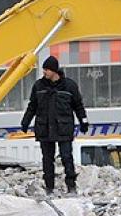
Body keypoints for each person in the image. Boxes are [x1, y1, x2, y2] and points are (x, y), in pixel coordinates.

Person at [20, 55, 88, 194]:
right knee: (47, 160)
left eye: (46, 69)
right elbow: (32, 106)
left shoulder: (69, 86)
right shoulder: (38, 86)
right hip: (44, 128)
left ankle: (71, 185)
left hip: (64, 128)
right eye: (44, 69)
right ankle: (49, 187)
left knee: (66, 157)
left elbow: (78, 106)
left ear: (54, 71)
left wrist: (84, 121)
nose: (44, 72)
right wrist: (25, 121)